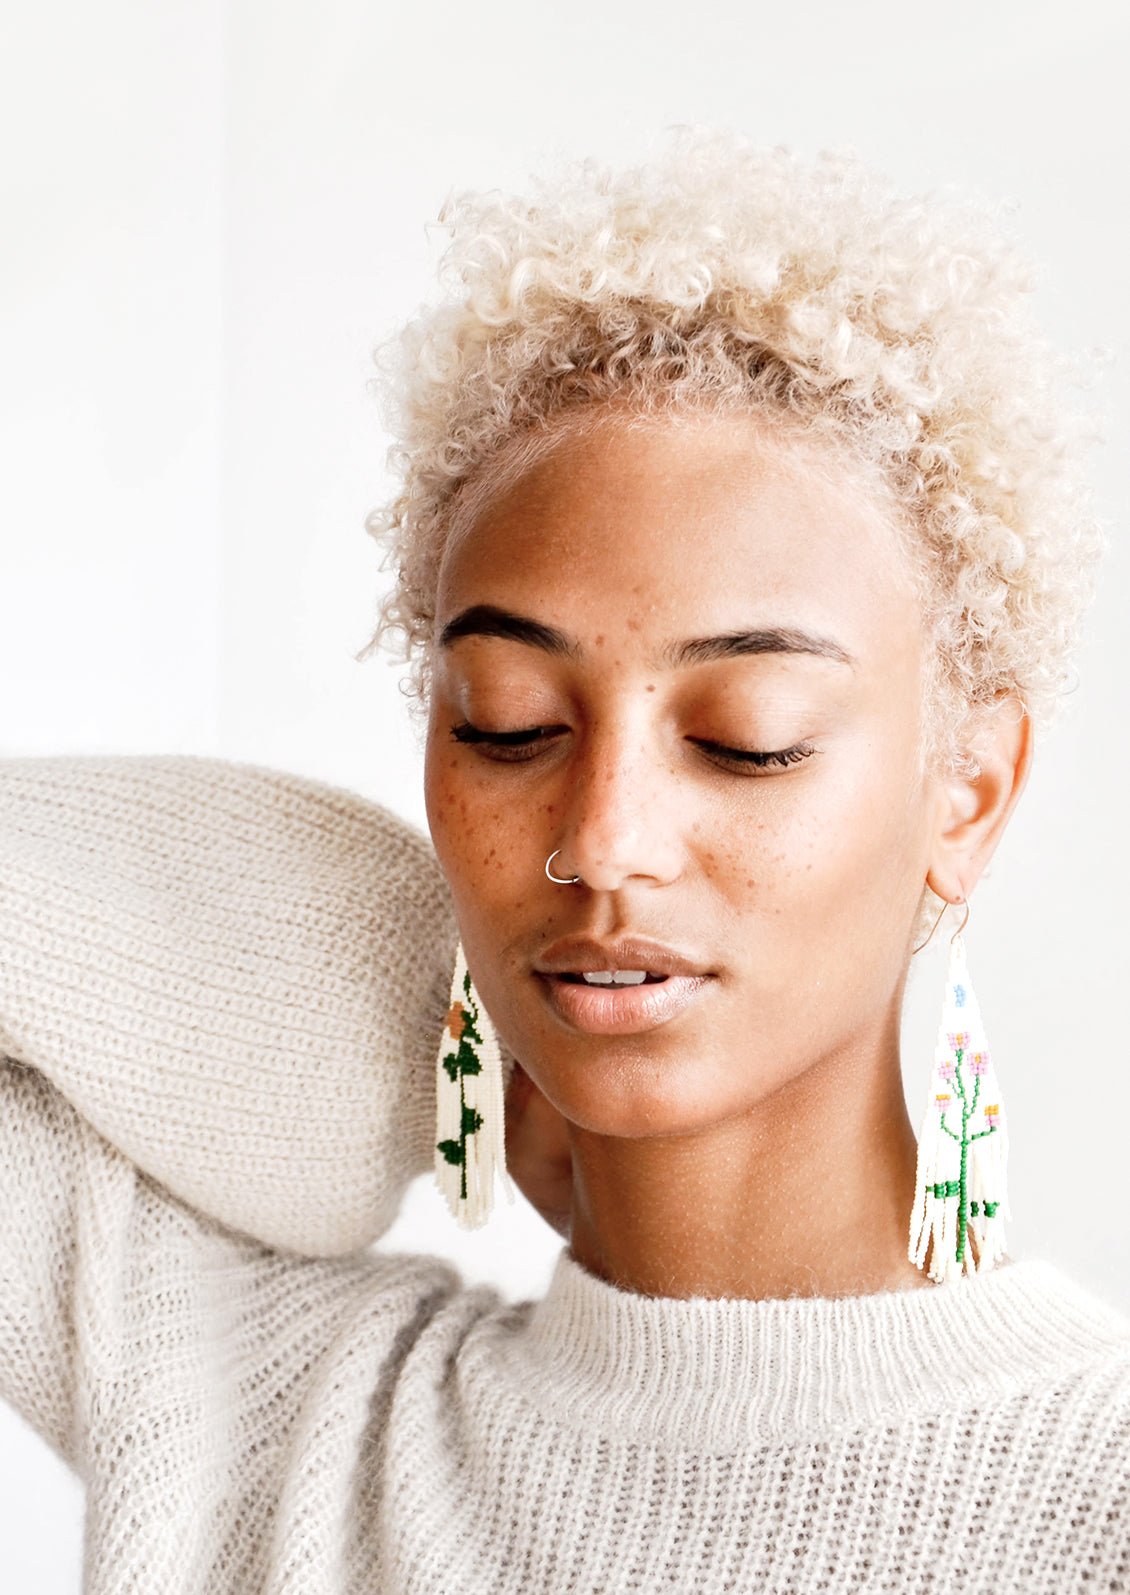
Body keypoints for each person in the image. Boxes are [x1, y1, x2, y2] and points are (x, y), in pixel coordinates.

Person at [2, 132, 1127, 1592]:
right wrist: (399, 1008)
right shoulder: (262, 1414)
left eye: (745, 738)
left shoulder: (1091, 1500)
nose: (601, 841)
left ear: (965, 796)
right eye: (509, 726)